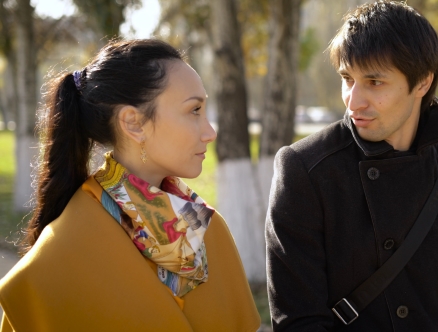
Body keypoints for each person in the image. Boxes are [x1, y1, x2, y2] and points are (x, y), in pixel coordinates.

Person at [265, 2, 438, 331]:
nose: (353, 101)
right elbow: (300, 324)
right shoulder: (305, 170)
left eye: (374, 82)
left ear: (422, 83)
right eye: (347, 79)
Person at [0, 39, 260, 331]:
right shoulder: (58, 257)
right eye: (194, 110)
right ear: (133, 123)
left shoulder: (209, 230)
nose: (210, 132)